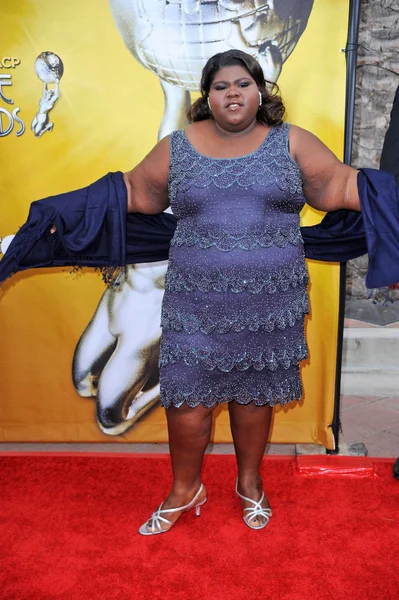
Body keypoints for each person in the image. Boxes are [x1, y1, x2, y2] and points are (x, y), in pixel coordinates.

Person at [120, 49, 361, 535]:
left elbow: (338, 184)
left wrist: (387, 197)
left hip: (270, 302)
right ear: (206, 97)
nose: (232, 92)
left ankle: (249, 483)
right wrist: (63, 218)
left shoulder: (291, 142)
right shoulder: (178, 146)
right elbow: (135, 192)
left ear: (260, 91)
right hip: (195, 301)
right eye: (221, 86)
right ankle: (185, 489)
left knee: (254, 400)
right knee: (187, 404)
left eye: (243, 83)